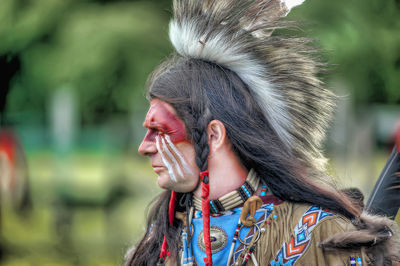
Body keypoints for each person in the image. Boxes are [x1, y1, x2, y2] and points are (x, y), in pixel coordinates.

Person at [125, 0, 400, 265]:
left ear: (214, 135)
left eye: (159, 130)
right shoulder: (161, 240)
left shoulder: (316, 235)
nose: (144, 146)